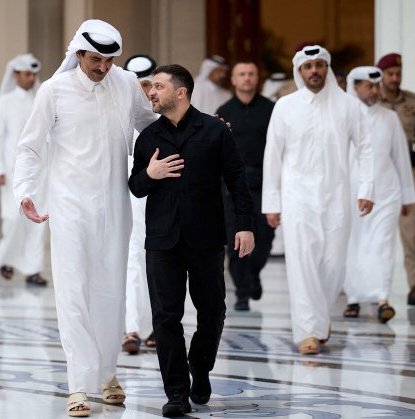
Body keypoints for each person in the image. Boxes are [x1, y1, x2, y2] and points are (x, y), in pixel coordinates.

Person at [13, 19, 158, 417]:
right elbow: (30, 146)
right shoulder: (54, 90)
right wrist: (24, 192)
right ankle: (79, 384)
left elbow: (151, 125)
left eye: (110, 60)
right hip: (69, 207)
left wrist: (196, 129)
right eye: (96, 60)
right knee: (74, 292)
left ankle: (108, 373)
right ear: (78, 54)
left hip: (115, 204)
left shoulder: (127, 83)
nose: (104, 68)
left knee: (111, 292)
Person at [129, 64, 254, 417]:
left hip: (206, 239)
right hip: (162, 242)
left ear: (180, 92)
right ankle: (177, 393)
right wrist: (149, 175)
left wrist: (245, 226)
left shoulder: (215, 131)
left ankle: (201, 368)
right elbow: (135, 187)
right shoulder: (148, 138)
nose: (151, 93)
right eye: (151, 87)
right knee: (165, 318)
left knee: (212, 313)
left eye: (158, 87)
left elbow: (237, 181)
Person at [262, 45, 374, 355]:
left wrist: (367, 189)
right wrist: (272, 202)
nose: (314, 71)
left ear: (327, 68)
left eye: (320, 65)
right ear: (299, 71)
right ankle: (308, 331)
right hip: (297, 196)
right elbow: (273, 155)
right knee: (302, 262)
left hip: (338, 195)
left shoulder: (349, 106)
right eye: (308, 66)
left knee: (334, 263)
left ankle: (318, 317)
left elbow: (365, 148)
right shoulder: (285, 106)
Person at [342, 66, 415, 323]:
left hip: (387, 193)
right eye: (369, 86)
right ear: (355, 87)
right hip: (351, 194)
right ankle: (353, 298)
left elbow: (401, 159)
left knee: (383, 245)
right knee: (354, 247)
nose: (375, 91)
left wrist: (408, 197)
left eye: (376, 86)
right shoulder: (343, 116)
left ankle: (382, 297)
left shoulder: (389, 117)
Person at [216, 61, 276, 312]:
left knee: (264, 239)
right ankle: (241, 291)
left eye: (251, 74)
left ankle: (254, 273)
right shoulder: (224, 110)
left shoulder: (272, 109)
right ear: (233, 79)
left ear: (257, 78)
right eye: (242, 74)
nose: (247, 78)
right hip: (232, 188)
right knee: (236, 239)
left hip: (265, 184)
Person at [377, 53, 415, 306]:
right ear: (381, 76)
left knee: (409, 233)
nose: (395, 78)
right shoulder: (370, 100)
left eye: (398, 73)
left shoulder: (413, 101)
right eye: (390, 74)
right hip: (378, 175)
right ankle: (374, 288)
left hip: (407, 175)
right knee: (376, 234)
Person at [0, 54, 48, 285]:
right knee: (13, 219)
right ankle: (6, 259)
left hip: (40, 170)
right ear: (15, 75)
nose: (31, 78)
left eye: (34, 74)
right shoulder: (5, 101)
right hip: (12, 172)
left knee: (39, 219)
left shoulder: (41, 98)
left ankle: (33, 270)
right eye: (27, 74)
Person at [121, 54, 158, 354]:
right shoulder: (118, 113)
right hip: (126, 199)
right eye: (139, 86)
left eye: (148, 85)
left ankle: (156, 325)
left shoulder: (164, 116)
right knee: (133, 259)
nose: (144, 92)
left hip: (160, 202)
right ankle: (132, 327)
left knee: (159, 260)